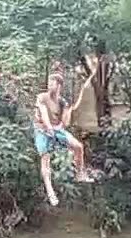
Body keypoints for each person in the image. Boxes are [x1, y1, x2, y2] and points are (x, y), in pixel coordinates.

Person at [34, 68, 93, 206]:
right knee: (45, 158)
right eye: (49, 83)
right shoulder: (42, 97)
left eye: (52, 83)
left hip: (56, 129)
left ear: (59, 86)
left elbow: (65, 123)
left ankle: (80, 174)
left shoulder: (62, 102)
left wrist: (67, 113)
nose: (49, 85)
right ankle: (50, 192)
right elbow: (44, 114)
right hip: (42, 130)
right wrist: (49, 128)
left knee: (78, 147)